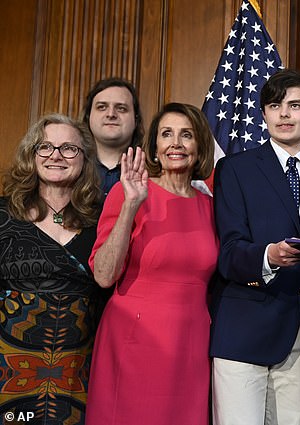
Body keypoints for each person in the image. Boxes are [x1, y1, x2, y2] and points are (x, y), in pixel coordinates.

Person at [210, 69, 300, 425]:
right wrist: (269, 256)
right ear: (264, 114)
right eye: (275, 106)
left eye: (295, 105)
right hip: (243, 331)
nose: (285, 114)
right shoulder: (234, 169)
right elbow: (228, 252)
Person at [85, 103, 217, 425]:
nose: (176, 143)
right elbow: (103, 276)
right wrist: (131, 205)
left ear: (199, 145)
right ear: (154, 147)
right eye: (166, 134)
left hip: (192, 344)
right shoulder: (128, 192)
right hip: (135, 338)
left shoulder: (212, 207)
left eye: (186, 135)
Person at [0, 114, 102, 423]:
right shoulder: (4, 213)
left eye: (68, 148)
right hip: (8, 364)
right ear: (31, 155)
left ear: (84, 159)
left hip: (77, 370)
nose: (55, 155)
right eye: (45, 147)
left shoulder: (102, 218)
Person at [82, 77, 144, 196]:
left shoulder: (151, 171)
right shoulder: (71, 165)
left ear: (136, 120)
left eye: (121, 108)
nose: (111, 114)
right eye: (101, 107)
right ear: (88, 116)